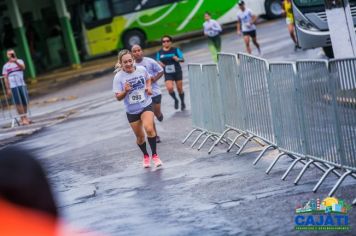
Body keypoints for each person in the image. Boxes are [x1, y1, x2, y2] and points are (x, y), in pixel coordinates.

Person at [113, 49, 162, 168]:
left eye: (130, 61)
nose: (128, 64)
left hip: (145, 104)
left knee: (149, 129)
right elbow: (118, 97)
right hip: (132, 110)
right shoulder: (118, 77)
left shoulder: (141, 70)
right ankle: (146, 156)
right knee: (140, 137)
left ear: (133, 60)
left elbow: (148, 79)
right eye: (125, 62)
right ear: (121, 63)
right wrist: (125, 91)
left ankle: (155, 156)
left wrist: (149, 87)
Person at [131, 44, 164, 143]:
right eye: (135, 51)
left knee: (156, 113)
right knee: (150, 115)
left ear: (142, 51)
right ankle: (155, 135)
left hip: (155, 92)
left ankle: (159, 114)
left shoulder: (150, 61)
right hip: (144, 95)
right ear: (132, 54)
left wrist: (154, 79)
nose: (137, 53)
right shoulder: (132, 65)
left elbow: (161, 71)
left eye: (139, 50)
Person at [156, 35, 186, 111]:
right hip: (168, 73)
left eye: (167, 41)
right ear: (162, 43)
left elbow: (182, 59)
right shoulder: (160, 52)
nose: (166, 42)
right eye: (164, 41)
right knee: (169, 88)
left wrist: (177, 59)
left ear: (170, 42)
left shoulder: (175, 50)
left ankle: (182, 102)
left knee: (179, 89)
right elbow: (157, 61)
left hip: (177, 71)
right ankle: (176, 100)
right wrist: (160, 63)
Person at [2, 49, 31, 125]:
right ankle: (22, 118)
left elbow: (23, 68)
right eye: (9, 54)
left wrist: (16, 61)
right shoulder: (5, 66)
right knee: (18, 102)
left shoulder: (20, 61)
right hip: (13, 86)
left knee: (24, 101)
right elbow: (5, 78)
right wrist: (7, 88)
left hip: (21, 84)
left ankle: (25, 117)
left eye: (12, 53)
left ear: (15, 53)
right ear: (7, 55)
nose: (11, 55)